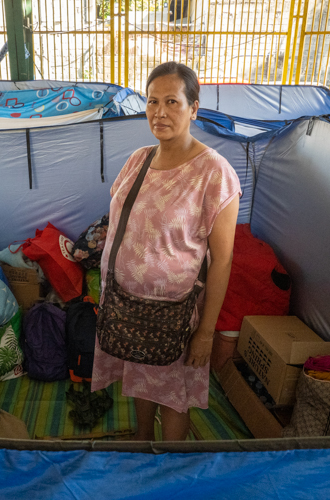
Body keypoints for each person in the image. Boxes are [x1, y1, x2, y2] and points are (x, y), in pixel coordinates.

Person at [91, 61, 241, 441]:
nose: (159, 112)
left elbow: (221, 260)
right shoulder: (137, 160)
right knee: (142, 379)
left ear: (194, 108)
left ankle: (169, 468)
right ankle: (143, 443)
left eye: (172, 101)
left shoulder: (215, 174)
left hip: (175, 316)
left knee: (174, 395)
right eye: (152, 101)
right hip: (128, 307)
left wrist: (206, 332)